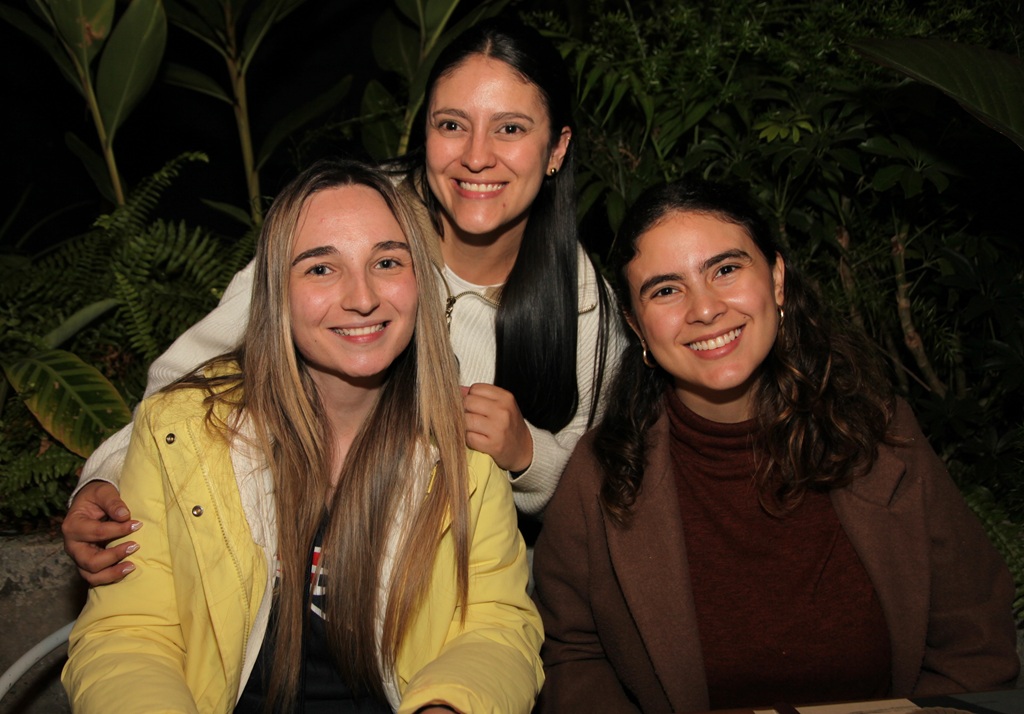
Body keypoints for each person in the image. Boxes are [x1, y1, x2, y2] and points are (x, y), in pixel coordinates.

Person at [61, 17, 626, 586]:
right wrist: (108, 479)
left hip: (447, 594)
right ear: (425, 130)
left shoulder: (582, 308)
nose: (476, 157)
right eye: (453, 124)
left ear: (556, 148)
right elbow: (189, 376)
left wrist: (528, 455)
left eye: (510, 129)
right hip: (276, 570)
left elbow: (603, 496)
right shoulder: (344, 219)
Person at [62, 159, 544, 713]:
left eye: (387, 261)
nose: (362, 297)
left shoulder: (463, 443)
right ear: (275, 291)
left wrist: (451, 706)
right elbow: (129, 634)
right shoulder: (182, 433)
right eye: (320, 268)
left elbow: (495, 626)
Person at [531, 178, 1020, 712]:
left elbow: (975, 638)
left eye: (725, 269)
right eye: (666, 290)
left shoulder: (880, 436)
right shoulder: (602, 473)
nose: (705, 309)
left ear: (778, 279)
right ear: (636, 326)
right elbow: (572, 655)